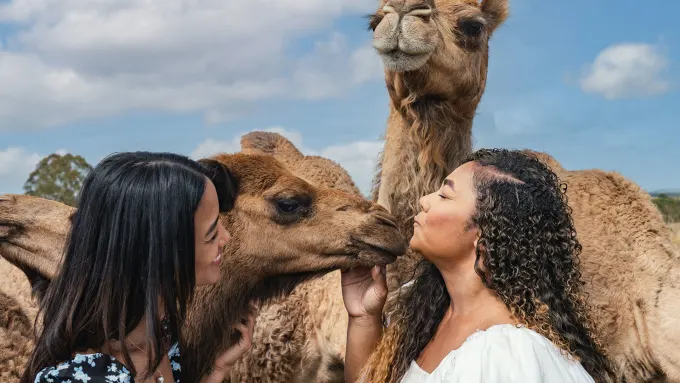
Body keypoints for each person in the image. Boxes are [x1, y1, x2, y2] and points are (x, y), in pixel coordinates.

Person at [342, 148, 614, 383]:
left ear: (485, 234)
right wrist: (364, 316)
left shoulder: (509, 356)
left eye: (445, 196)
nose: (424, 201)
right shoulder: (425, 312)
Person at [21, 152, 256, 383]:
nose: (225, 238)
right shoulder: (88, 378)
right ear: (161, 252)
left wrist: (216, 370)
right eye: (212, 233)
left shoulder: (159, 332)